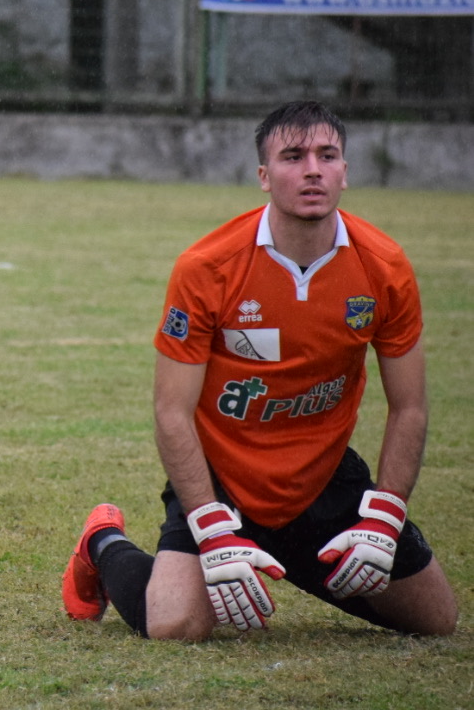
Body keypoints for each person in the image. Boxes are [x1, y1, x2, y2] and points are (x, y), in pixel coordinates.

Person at [61, 101, 458, 640]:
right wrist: (209, 524)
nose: (312, 169)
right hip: (223, 480)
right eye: (293, 156)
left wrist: (384, 515)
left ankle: (296, 553)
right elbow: (171, 411)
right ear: (264, 177)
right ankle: (102, 545)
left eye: (327, 155)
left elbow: (409, 406)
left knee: (437, 620)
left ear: (345, 171)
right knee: (176, 624)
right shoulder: (207, 268)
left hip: (323, 478)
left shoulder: (385, 267)